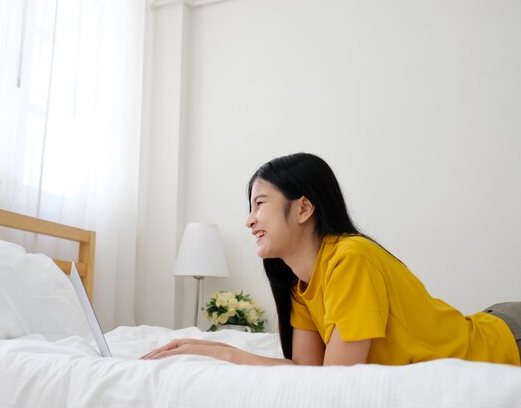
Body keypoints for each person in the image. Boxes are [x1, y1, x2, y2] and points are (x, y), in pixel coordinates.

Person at [141, 153, 521, 366]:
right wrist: (215, 349)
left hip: (505, 339)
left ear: (304, 207)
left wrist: (227, 352)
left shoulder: (350, 259)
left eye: (260, 204)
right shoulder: (300, 282)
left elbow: (336, 379)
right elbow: (311, 375)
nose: (249, 219)